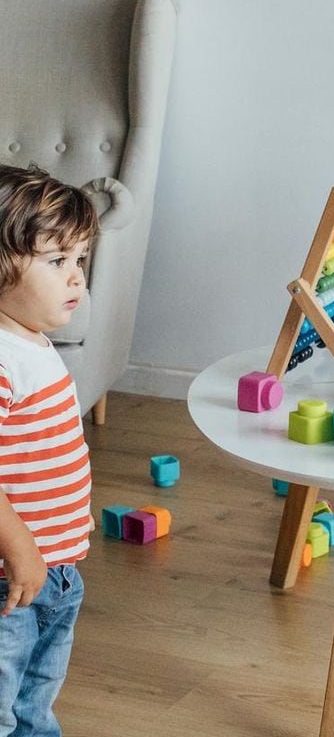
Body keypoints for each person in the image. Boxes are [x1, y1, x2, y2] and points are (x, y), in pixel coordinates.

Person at [0, 164, 97, 735]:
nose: (76, 279)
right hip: (13, 577)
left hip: (56, 571)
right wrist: (22, 549)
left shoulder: (31, 340)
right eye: (56, 261)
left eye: (79, 260)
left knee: (35, 702)